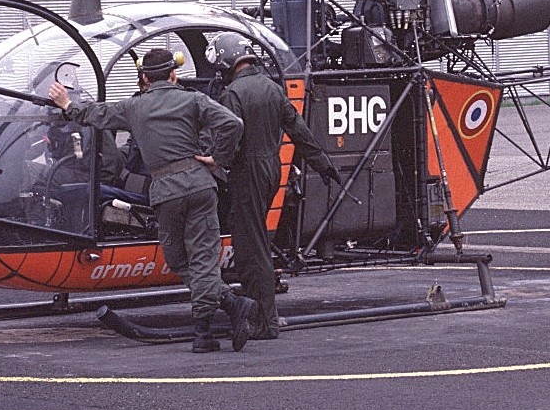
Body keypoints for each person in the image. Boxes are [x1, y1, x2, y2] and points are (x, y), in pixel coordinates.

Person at [48, 47, 259, 353]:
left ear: (144, 78)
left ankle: (205, 330)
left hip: (166, 192)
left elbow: (97, 115)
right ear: (174, 74)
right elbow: (233, 124)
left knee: (176, 257)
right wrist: (217, 159)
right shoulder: (193, 99)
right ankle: (227, 304)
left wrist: (67, 105)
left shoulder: (135, 107)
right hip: (200, 185)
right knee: (201, 258)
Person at [209, 32, 341, 340]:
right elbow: (298, 129)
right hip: (271, 169)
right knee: (256, 242)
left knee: (250, 249)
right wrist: (323, 163)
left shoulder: (233, 94)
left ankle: (265, 321)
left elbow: (229, 135)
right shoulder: (272, 88)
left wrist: (216, 161)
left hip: (249, 172)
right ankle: (264, 315)